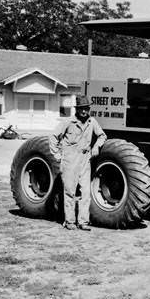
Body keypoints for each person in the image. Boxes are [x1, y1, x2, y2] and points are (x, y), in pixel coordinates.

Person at [49, 95, 106, 231]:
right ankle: (69, 221)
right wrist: (57, 154)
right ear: (77, 109)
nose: (84, 112)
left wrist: (96, 146)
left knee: (85, 192)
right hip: (70, 160)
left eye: (86, 109)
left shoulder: (92, 122)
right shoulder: (68, 122)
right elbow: (53, 136)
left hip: (85, 160)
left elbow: (102, 135)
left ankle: (83, 222)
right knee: (69, 191)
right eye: (81, 109)